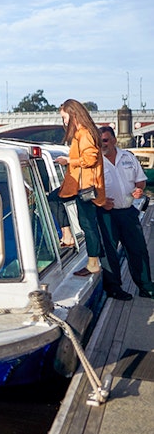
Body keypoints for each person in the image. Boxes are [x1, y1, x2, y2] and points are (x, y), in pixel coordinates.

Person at [95, 126, 153, 299]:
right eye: (99, 141)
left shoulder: (128, 157)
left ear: (113, 140)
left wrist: (138, 190)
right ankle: (114, 289)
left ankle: (146, 286)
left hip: (128, 211)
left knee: (138, 249)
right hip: (106, 213)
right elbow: (88, 188)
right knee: (109, 252)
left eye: (105, 140)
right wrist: (101, 201)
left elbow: (141, 180)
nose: (102, 144)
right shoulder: (95, 162)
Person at [54, 99, 108, 283]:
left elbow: (90, 158)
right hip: (82, 186)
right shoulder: (85, 132)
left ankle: (92, 262)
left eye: (65, 117)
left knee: (88, 225)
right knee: (86, 222)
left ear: (73, 113)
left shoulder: (84, 133)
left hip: (84, 187)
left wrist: (68, 161)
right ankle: (68, 236)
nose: (64, 122)